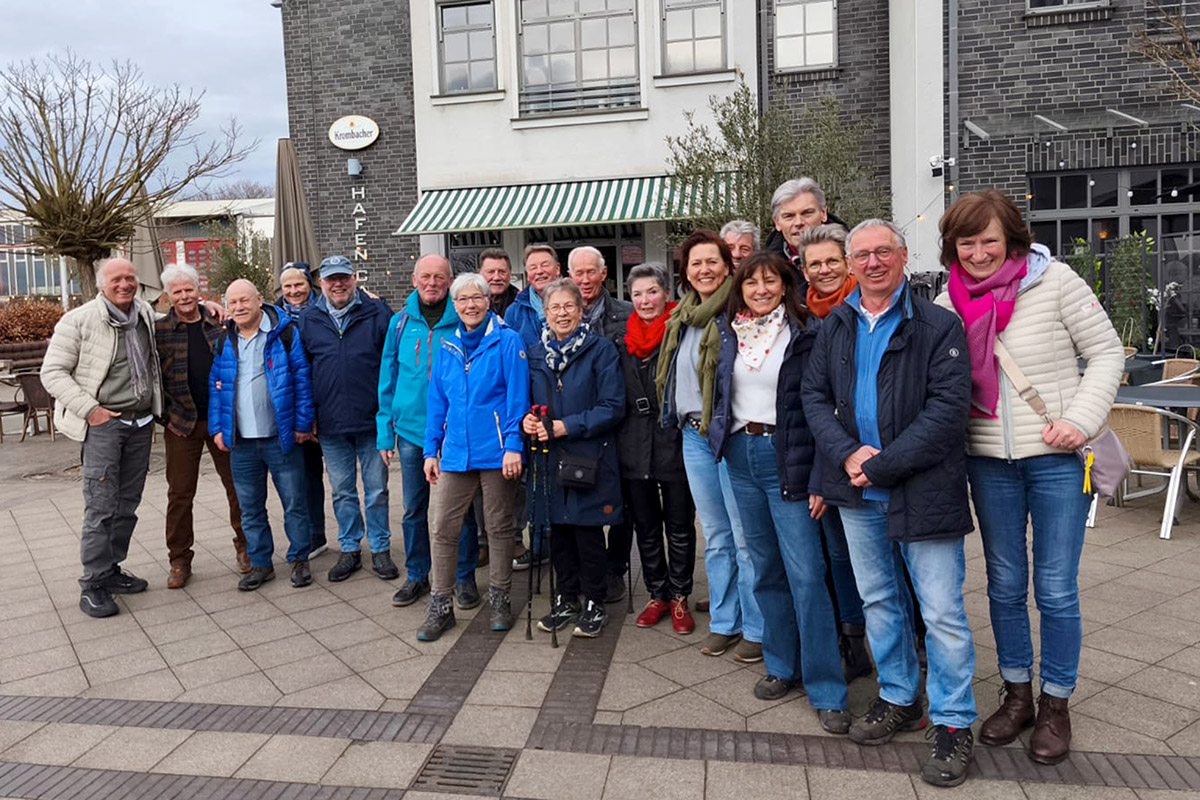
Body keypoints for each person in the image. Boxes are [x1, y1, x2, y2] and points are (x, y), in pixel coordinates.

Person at [936, 191, 1124, 766]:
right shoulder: (948, 299)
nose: (978, 252)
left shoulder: (1056, 281)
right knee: (1003, 585)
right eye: (966, 242)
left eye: (989, 240)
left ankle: (1056, 703)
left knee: (1057, 589)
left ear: (1011, 237)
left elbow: (1107, 352)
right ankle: (1016, 693)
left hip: (1055, 459)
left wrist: (1079, 421)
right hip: (988, 460)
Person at [802, 219, 977, 788]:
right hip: (858, 493)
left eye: (884, 252)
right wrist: (848, 454)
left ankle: (952, 721)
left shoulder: (938, 324)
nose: (873, 263)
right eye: (863, 255)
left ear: (903, 256)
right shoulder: (837, 325)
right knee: (879, 600)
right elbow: (814, 396)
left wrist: (876, 464)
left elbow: (947, 413)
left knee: (942, 611)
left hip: (921, 489)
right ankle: (899, 694)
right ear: (850, 264)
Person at [708, 251, 850, 732]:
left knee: (808, 575)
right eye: (752, 283)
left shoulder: (805, 334)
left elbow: (820, 408)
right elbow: (720, 393)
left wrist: (818, 478)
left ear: (784, 285)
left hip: (787, 458)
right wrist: (719, 438)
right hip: (741, 455)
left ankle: (827, 687)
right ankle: (781, 665)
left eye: (770, 282)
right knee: (765, 568)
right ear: (741, 289)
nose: (761, 290)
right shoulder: (732, 333)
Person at [656, 230, 762, 663]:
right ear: (685, 271)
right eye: (695, 263)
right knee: (716, 535)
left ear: (727, 266)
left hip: (729, 436)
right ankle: (725, 621)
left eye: (712, 262)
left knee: (744, 536)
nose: (704, 270)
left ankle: (756, 628)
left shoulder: (739, 314)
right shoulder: (683, 315)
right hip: (692, 436)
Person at [42, 257, 163, 618]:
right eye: (116, 279)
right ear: (100, 285)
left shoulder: (143, 315)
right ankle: (92, 584)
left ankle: (111, 571)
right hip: (104, 426)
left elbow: (176, 320)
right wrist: (89, 410)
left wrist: (208, 306)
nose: (124, 284)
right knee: (101, 507)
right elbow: (52, 372)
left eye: (130, 277)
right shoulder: (78, 321)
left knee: (127, 504)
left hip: (141, 424)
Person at [417, 273, 531, 640]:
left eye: (476, 298)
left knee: (499, 528)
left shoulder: (508, 341)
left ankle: (500, 597)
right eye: (462, 299)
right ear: (455, 305)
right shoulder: (447, 346)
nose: (470, 305)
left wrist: (513, 445)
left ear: (487, 301)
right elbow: (437, 402)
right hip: (454, 453)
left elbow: (517, 398)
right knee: (443, 529)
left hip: (497, 451)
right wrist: (430, 449)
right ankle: (441, 604)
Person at [523, 278, 625, 638]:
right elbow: (526, 400)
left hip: (588, 453)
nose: (562, 313)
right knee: (558, 531)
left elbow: (613, 407)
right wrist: (528, 418)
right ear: (545, 313)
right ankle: (567, 597)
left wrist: (568, 426)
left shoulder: (600, 350)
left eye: (569, 306)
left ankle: (595, 601)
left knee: (587, 530)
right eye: (555, 308)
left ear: (581, 311)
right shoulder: (535, 353)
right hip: (548, 456)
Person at [378, 254, 480, 608]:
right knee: (413, 509)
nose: (432, 282)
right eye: (426, 276)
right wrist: (383, 432)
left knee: (459, 511)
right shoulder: (399, 323)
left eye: (440, 277)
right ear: (414, 279)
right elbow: (387, 379)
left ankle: (463, 578)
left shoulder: (464, 320)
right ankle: (417, 574)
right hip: (411, 432)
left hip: (455, 433)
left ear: (450, 281)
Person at [796, 224, 872, 682]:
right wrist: (823, 471)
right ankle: (853, 640)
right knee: (839, 556)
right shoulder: (803, 315)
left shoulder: (867, 309)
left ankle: (912, 646)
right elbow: (812, 399)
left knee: (891, 559)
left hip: (876, 452)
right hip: (828, 452)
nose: (824, 269)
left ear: (847, 262)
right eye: (814, 263)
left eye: (831, 261)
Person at [209, 280, 316, 592]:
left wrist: (302, 423)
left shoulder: (284, 334)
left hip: (280, 437)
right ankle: (260, 563)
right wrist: (217, 428)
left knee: (295, 503)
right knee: (250, 508)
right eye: (233, 302)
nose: (239, 307)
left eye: (245, 300)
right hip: (241, 441)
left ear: (259, 300)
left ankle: (299, 559)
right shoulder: (223, 340)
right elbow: (216, 387)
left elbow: (302, 380)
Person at [299, 255, 398, 583]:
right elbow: (304, 370)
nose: (338, 284)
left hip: (372, 419)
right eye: (331, 279)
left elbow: (392, 364)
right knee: (342, 490)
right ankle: (350, 548)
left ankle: (381, 547)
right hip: (330, 421)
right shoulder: (309, 318)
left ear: (354, 279)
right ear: (322, 284)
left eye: (344, 278)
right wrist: (309, 414)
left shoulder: (377, 312)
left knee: (376, 490)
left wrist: (391, 412)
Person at [155, 263, 247, 588]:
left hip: (221, 419)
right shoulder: (160, 330)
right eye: (177, 291)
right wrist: (163, 415)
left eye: (188, 289)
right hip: (181, 422)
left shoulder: (220, 323)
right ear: (168, 296)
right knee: (180, 494)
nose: (184, 296)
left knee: (237, 486)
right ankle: (179, 560)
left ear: (198, 290)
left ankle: (246, 548)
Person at [617, 263, 696, 634]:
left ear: (666, 293)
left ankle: (680, 595)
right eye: (637, 294)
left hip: (674, 440)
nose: (645, 300)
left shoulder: (682, 332)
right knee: (646, 526)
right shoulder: (622, 340)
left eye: (652, 292)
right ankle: (657, 593)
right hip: (634, 443)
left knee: (679, 525)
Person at [567, 245, 635, 604]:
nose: (585, 280)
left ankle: (614, 569)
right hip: (580, 424)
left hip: (619, 421)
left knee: (619, 501)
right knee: (581, 496)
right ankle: (584, 568)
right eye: (578, 273)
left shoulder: (626, 313)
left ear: (604, 273)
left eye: (590, 272)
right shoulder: (564, 315)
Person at [504, 244, 562, 570]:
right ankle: (539, 545)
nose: (539, 271)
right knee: (534, 482)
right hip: (531, 409)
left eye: (545, 265)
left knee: (563, 478)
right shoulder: (516, 310)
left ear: (557, 269)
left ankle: (564, 545)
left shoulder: (570, 301)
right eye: (532, 267)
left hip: (566, 405)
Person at [276, 261, 328, 557]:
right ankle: (313, 535)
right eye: (288, 286)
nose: (294, 291)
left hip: (326, 403)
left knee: (338, 476)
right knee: (305, 475)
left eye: (299, 284)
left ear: (310, 284)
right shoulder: (272, 317)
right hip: (292, 408)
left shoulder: (325, 310)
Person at [765, 177, 832, 271]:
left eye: (807, 213)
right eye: (789, 216)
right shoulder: (766, 269)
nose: (798, 222)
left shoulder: (854, 256)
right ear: (777, 223)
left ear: (823, 214)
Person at [480, 247, 519, 317]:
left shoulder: (522, 303)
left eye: (502, 272)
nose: (496, 278)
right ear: (479, 274)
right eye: (490, 272)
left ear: (510, 274)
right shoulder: (469, 303)